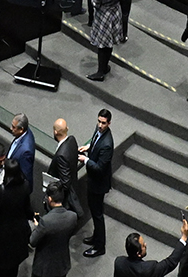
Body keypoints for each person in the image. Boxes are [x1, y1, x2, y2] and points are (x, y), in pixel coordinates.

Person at [79, 110, 115, 261]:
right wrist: (89, 147)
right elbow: (95, 140)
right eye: (99, 121)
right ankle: (96, 237)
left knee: (98, 214)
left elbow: (100, 168)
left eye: (103, 123)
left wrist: (86, 160)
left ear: (109, 123)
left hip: (98, 184)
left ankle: (100, 246)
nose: (100, 125)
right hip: (93, 181)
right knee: (94, 212)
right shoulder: (99, 130)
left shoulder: (108, 144)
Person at [26, 191, 81, 277]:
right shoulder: (73, 216)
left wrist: (37, 227)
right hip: (62, 263)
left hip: (44, 267)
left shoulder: (45, 221)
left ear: (50, 199)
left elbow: (32, 241)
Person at [87, 0, 125, 82]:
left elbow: (96, 3)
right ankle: (105, 66)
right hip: (115, 14)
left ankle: (100, 73)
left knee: (102, 45)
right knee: (109, 43)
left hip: (104, 17)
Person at [112, 232, 185, 277]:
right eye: (143, 245)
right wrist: (184, 238)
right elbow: (170, 263)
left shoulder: (118, 262)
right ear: (138, 254)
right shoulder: (148, 268)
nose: (146, 244)